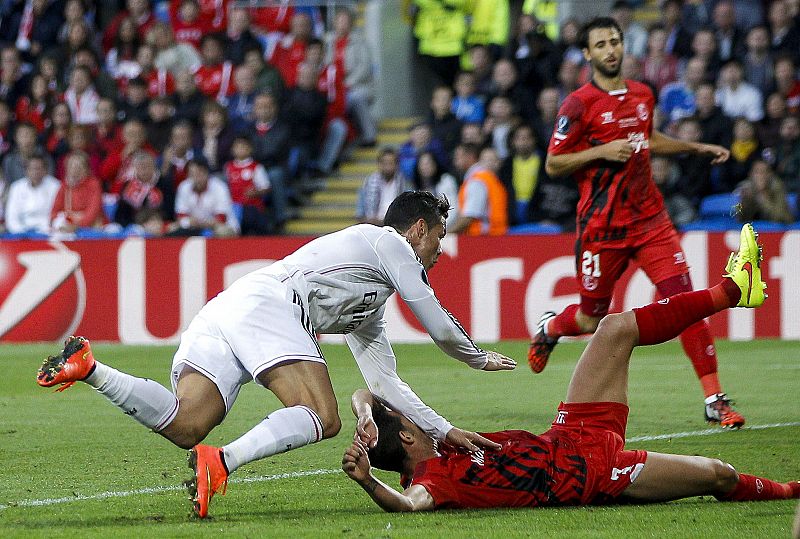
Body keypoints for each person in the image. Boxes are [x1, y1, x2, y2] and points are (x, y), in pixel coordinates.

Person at [36, 191, 517, 518]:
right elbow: (437, 322)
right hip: (270, 303)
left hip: (232, 306)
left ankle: (91, 369)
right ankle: (222, 461)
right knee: (323, 416)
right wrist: (476, 357)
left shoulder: (368, 297)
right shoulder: (388, 242)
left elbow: (385, 384)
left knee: (186, 424)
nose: (440, 250)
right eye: (439, 237)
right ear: (417, 229)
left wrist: (443, 430)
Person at [343, 225, 799, 512]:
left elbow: (366, 394)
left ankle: (733, 290)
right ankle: (790, 491)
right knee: (718, 473)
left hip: (569, 434)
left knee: (614, 327)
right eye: (405, 420)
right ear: (407, 438)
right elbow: (407, 504)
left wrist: (366, 415)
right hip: (594, 472)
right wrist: (367, 482)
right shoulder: (432, 480)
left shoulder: (438, 440)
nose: (412, 416)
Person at [528, 17, 743, 430]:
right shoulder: (577, 104)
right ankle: (551, 327)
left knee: (685, 303)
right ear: (587, 54)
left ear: (623, 46)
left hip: (650, 221)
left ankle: (714, 399)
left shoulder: (643, 93)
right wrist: (602, 151)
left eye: (615, 42)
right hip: (602, 228)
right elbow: (554, 163)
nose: (610, 50)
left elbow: (650, 138)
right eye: (601, 44)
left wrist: (695, 147)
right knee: (591, 319)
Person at [450, 142, 508, 235]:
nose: (455, 160)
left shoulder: (477, 181)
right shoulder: (484, 177)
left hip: (482, 238)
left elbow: (469, 217)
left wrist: (445, 235)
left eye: (458, 156)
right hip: (495, 236)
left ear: (470, 157)